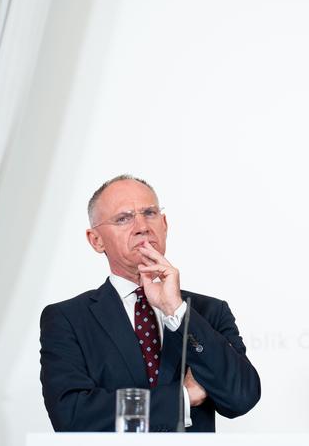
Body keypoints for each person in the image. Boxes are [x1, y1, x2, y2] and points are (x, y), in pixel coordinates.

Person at [40, 174, 261, 431]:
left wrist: (176, 311)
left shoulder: (209, 312)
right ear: (96, 240)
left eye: (150, 213)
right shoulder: (68, 319)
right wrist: (182, 399)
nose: (142, 226)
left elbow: (242, 396)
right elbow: (72, 415)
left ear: (164, 224)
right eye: (123, 218)